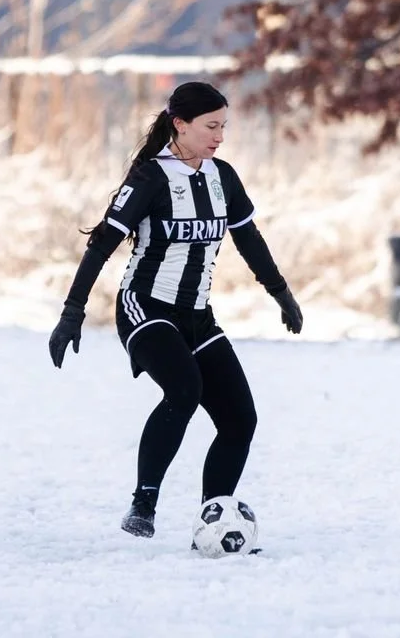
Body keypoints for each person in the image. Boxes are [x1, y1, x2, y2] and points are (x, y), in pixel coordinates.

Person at [48, 81, 303, 540]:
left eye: (224, 126)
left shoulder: (223, 176)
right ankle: (143, 503)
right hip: (144, 307)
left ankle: (215, 515)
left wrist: (280, 292)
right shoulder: (150, 178)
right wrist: (73, 311)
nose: (219, 136)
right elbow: (103, 242)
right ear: (179, 125)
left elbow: (248, 238)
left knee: (240, 419)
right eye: (210, 126)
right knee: (185, 389)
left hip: (198, 316)